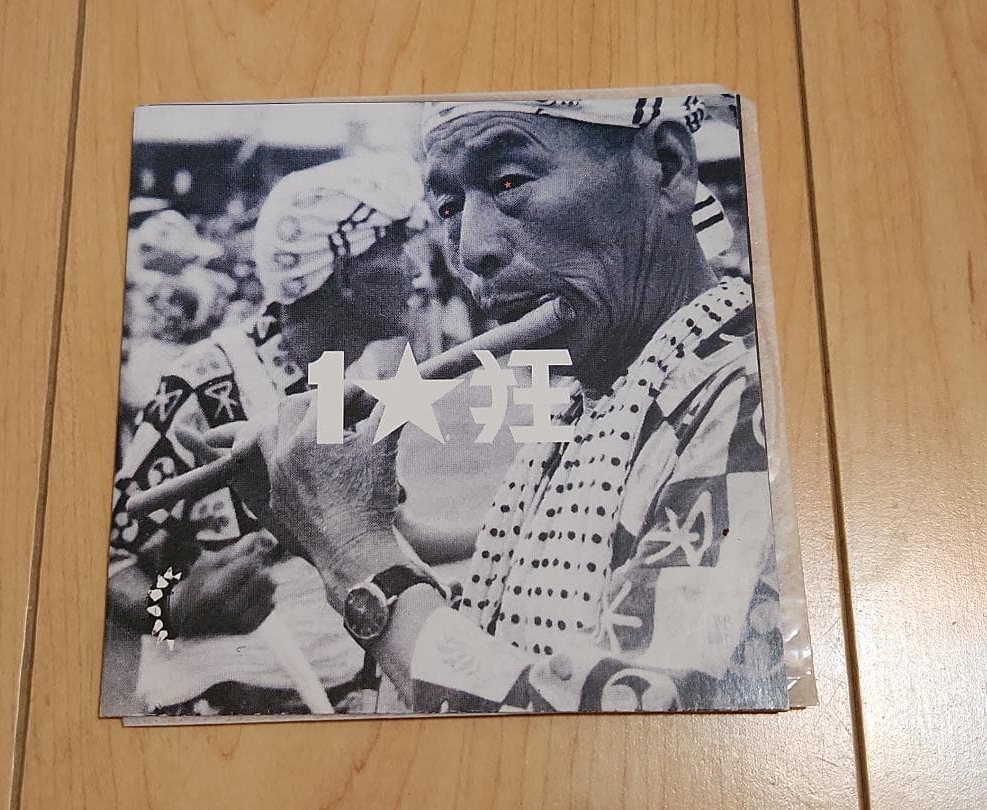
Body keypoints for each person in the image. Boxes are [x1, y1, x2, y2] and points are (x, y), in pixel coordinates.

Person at [243, 96, 786, 713]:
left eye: (508, 181)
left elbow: (609, 719)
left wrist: (357, 552)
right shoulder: (588, 402)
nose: (471, 249)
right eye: (449, 208)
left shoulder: (756, 400)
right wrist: (330, 525)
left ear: (666, 167)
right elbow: (510, 645)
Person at [104, 153, 428, 715]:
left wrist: (512, 524)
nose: (417, 271)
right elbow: (108, 565)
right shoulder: (205, 384)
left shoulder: (364, 376)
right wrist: (174, 610)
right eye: (396, 249)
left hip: (347, 702)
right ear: (344, 272)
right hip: (220, 719)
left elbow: (393, 534)